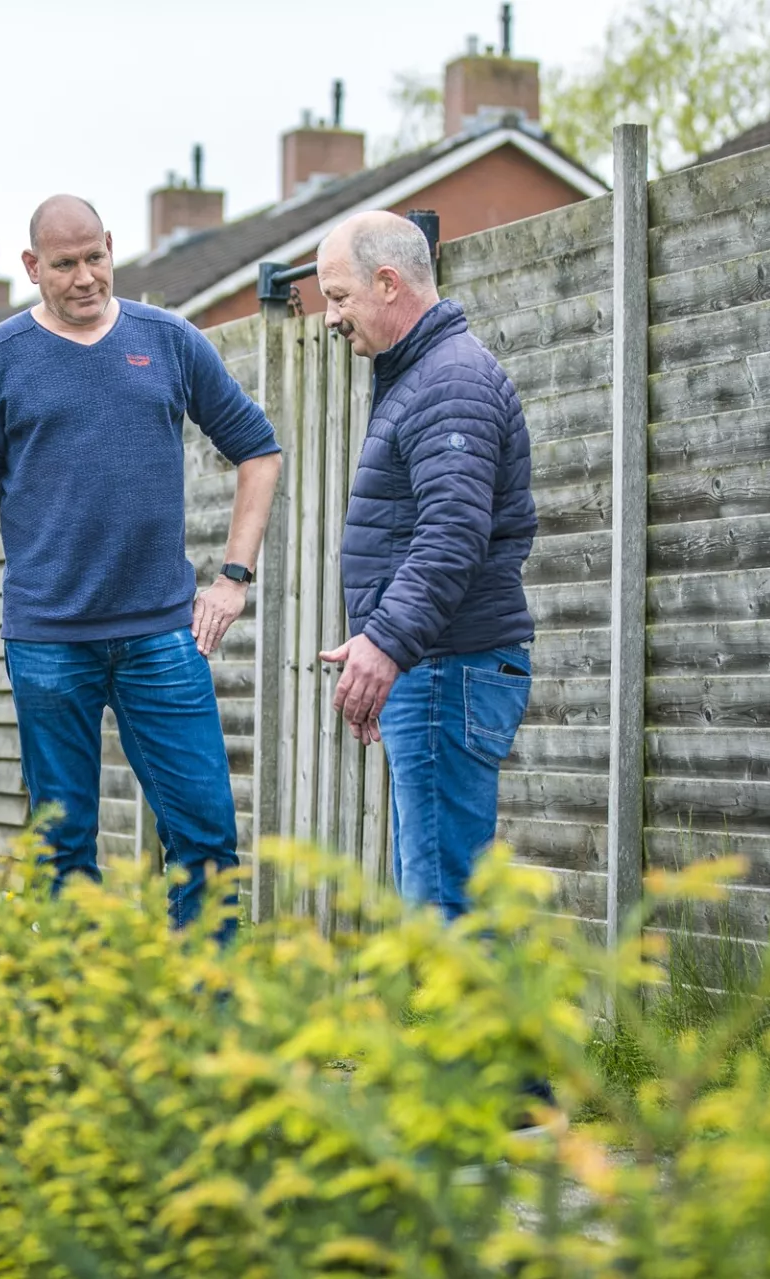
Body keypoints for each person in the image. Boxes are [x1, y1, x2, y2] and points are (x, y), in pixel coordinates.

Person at [0, 194, 283, 941]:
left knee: (207, 838)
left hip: (163, 636)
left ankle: (207, 1020)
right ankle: (81, 1029)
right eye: (65, 264)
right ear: (33, 267)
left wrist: (233, 577)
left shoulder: (167, 341)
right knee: (63, 851)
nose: (87, 276)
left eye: (97, 256)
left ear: (111, 247)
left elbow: (260, 449)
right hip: (48, 641)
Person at [315, 210, 537, 922]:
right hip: (434, 667)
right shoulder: (422, 376)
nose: (329, 317)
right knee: (438, 887)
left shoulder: (450, 380)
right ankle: (455, 1033)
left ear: (387, 283)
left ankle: (456, 1036)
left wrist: (385, 643)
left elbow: (451, 535)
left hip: (449, 667)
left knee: (445, 904)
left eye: (338, 296)